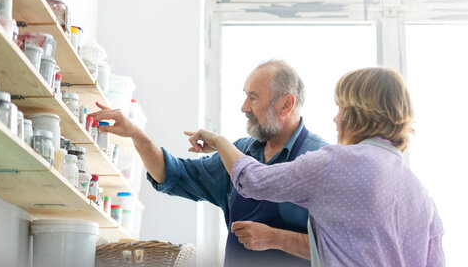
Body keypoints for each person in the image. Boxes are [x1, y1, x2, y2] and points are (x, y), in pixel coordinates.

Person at [186, 67, 446, 267]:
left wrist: (220, 143)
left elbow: (252, 181)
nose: (336, 118)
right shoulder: (419, 193)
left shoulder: (336, 163)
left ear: (359, 113)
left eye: (341, 108)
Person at [89, 60, 329, 266]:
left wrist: (275, 238)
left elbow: (340, 247)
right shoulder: (242, 152)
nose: (244, 107)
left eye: (253, 97)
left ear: (286, 104)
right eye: (245, 95)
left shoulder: (322, 159)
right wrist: (137, 135)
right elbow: (175, 174)